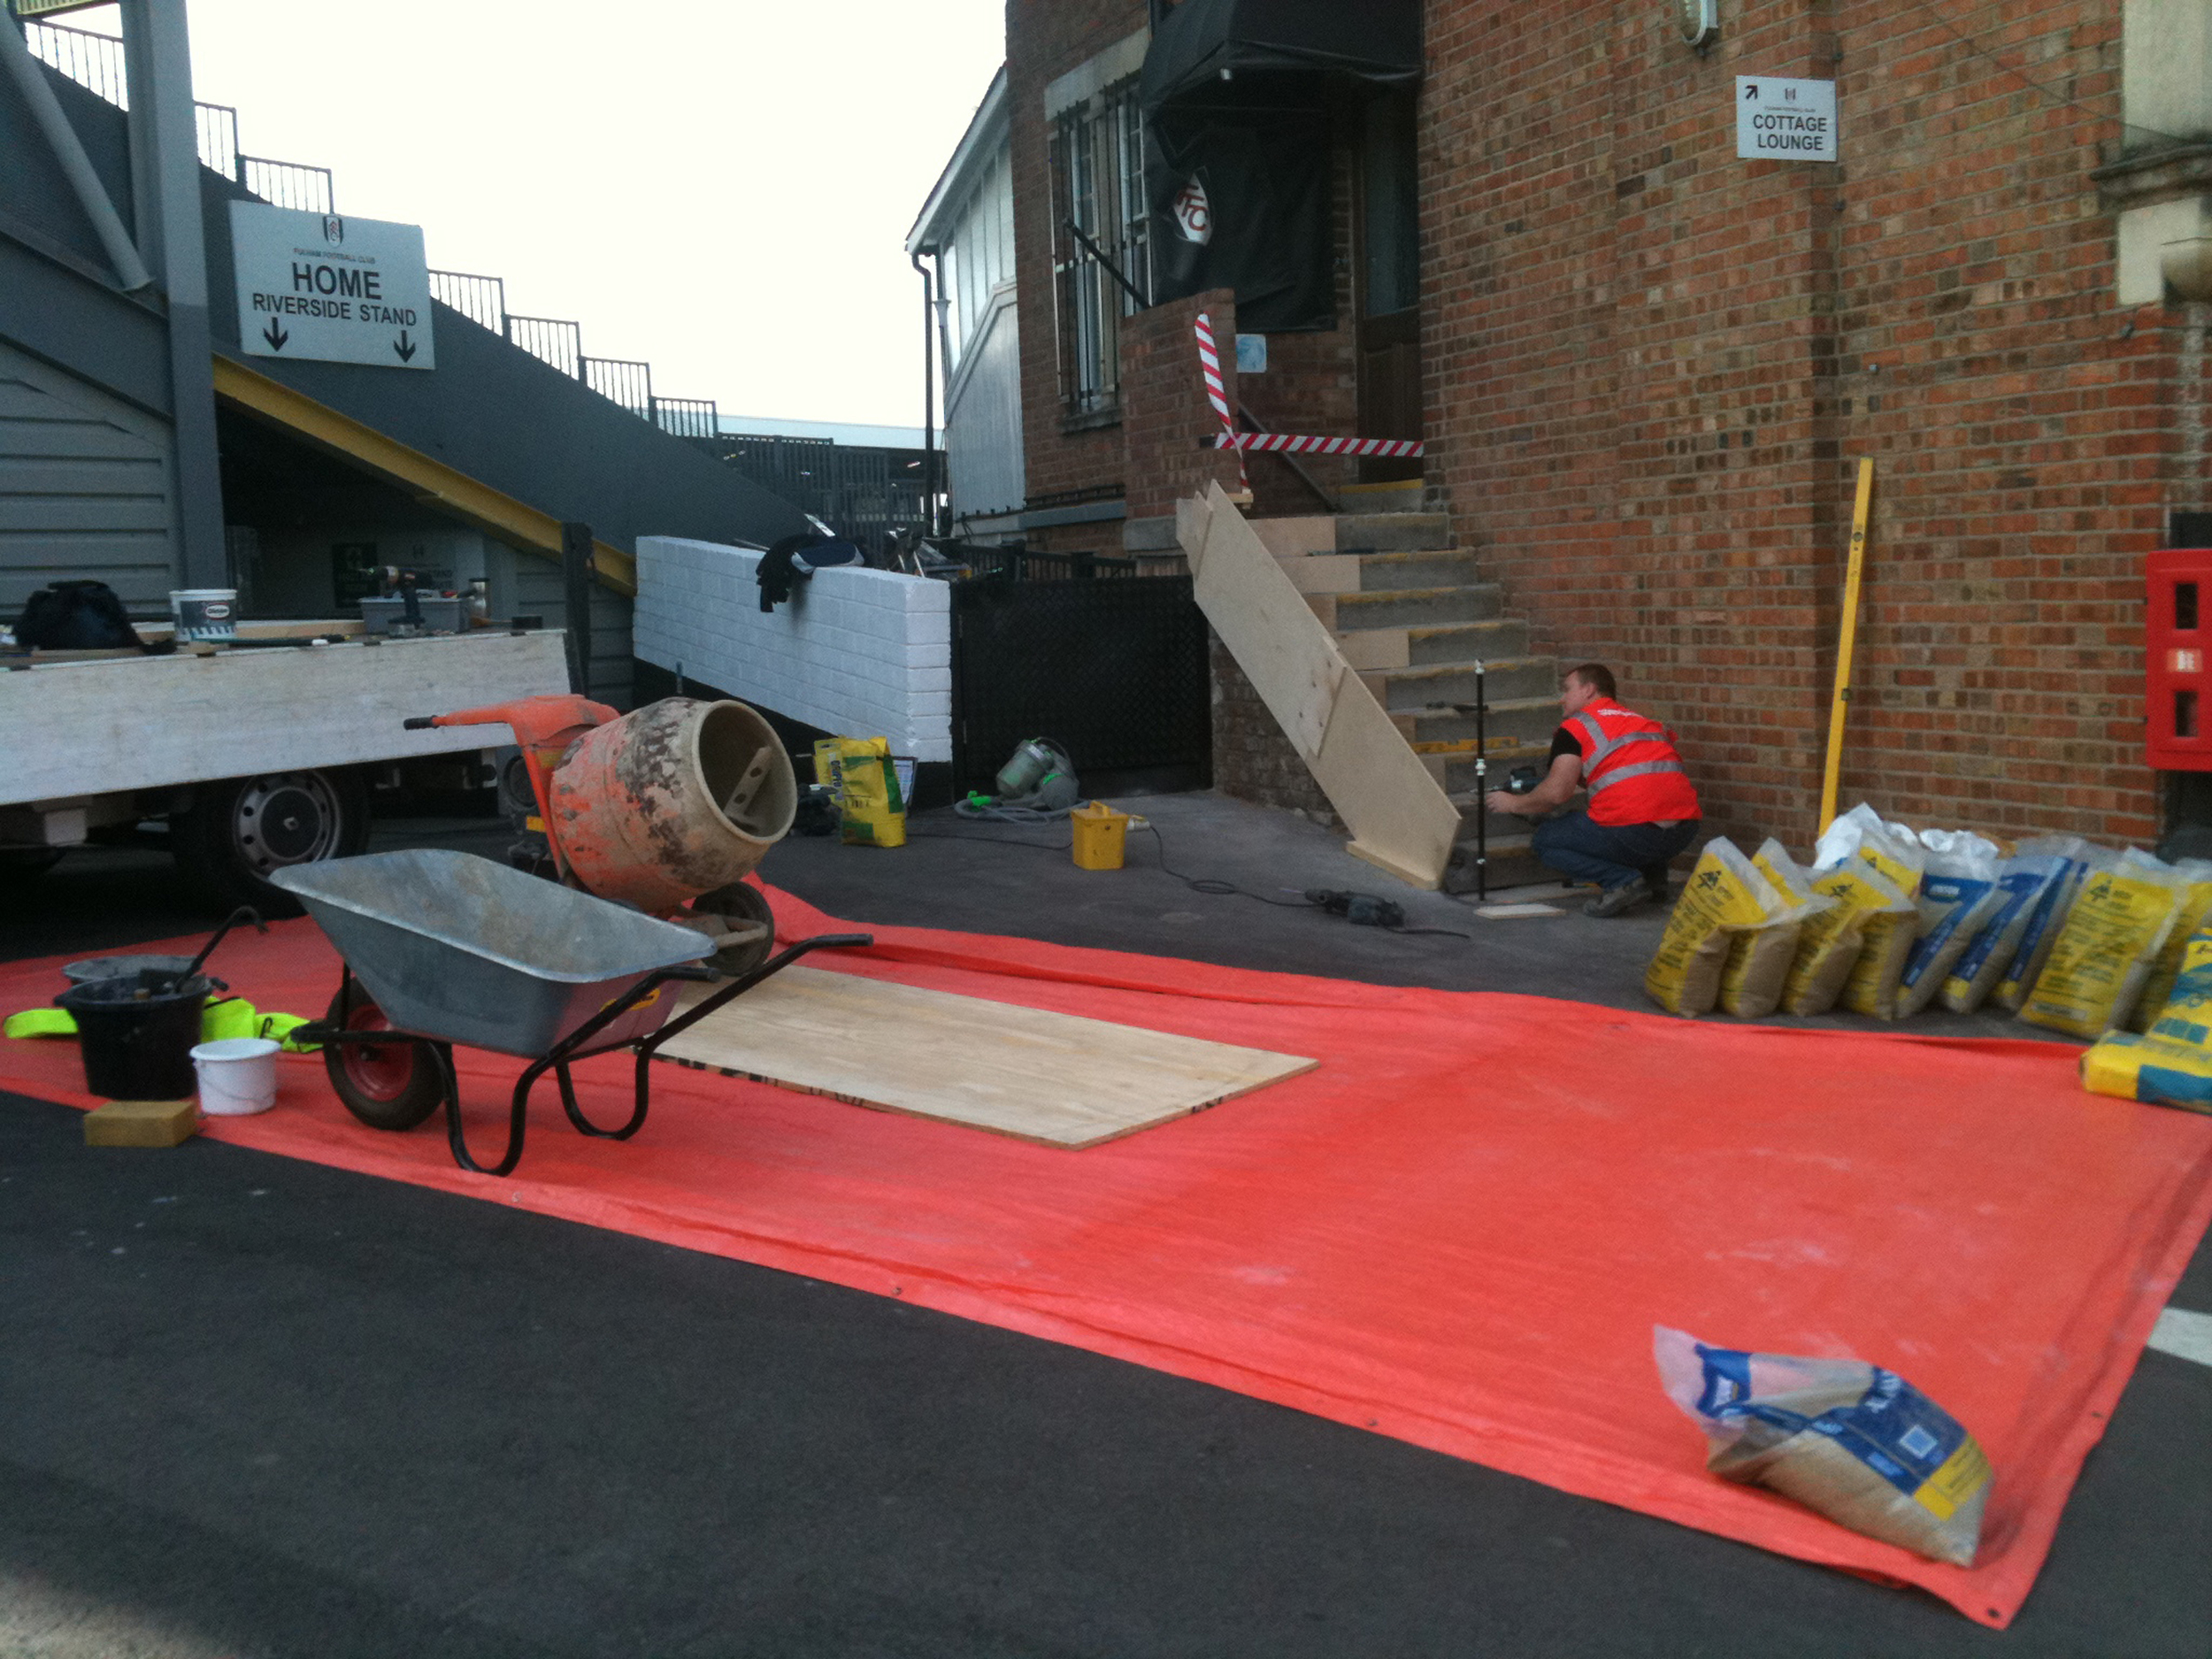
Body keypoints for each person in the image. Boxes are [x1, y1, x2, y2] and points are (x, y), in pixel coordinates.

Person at [1484, 663, 1701, 917]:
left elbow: (1557, 794)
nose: (1562, 698)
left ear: (1589, 690)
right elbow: (1631, 777)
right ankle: (1654, 880)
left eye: (1567, 690)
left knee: (1546, 840)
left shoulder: (1575, 728)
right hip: (1684, 831)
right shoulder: (1643, 722)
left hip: (1635, 833)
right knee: (1637, 814)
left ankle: (1621, 881)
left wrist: (1513, 803)